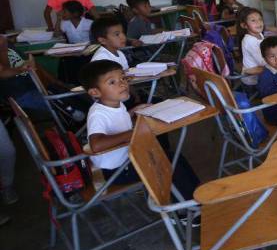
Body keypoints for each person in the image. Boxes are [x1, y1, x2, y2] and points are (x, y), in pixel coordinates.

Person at [80, 60, 198, 199]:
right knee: (169, 163)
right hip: (118, 172)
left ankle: (196, 198)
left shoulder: (114, 104)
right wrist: (133, 134)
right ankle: (188, 211)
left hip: (128, 161)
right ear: (95, 92)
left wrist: (132, 112)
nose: (123, 83)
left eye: (123, 78)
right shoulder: (98, 114)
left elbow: (117, 121)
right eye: (112, 82)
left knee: (173, 157)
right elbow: (96, 144)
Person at [237, 7, 266, 87]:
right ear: (244, 25)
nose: (258, 23)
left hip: (260, 73)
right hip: (252, 80)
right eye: (253, 20)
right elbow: (263, 62)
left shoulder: (259, 34)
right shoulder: (249, 40)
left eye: (260, 19)